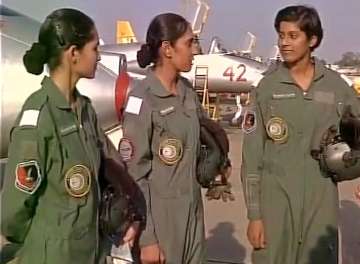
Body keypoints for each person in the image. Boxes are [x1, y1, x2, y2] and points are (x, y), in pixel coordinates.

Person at [1, 8, 142, 264]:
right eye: (95, 49)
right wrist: (46, 240)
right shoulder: (39, 116)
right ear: (73, 54)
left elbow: (105, 171)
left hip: (89, 253)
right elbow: (13, 214)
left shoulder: (85, 110)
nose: (99, 58)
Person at [242, 5, 360, 264]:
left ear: (313, 40)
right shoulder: (266, 88)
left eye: (292, 36)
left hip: (321, 201)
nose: (284, 43)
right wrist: (254, 216)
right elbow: (251, 158)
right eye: (281, 35)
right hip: (275, 201)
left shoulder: (335, 86)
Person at [120, 13, 231, 264]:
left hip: (192, 211)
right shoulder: (142, 98)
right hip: (160, 219)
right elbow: (134, 173)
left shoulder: (188, 93)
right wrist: (148, 239)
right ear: (167, 49)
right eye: (190, 43)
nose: (195, 50)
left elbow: (205, 137)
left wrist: (218, 167)